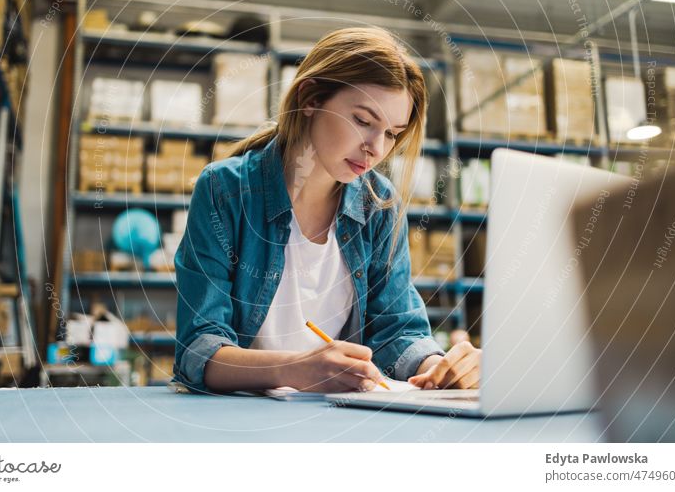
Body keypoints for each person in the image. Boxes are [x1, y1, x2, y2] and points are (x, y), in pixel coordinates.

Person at [173, 27, 481, 394]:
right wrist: (295, 368)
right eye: (363, 121)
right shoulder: (225, 191)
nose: (375, 148)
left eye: (391, 133)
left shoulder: (378, 205)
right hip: (241, 419)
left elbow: (397, 329)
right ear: (310, 98)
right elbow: (199, 348)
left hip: (339, 419)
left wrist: (439, 367)